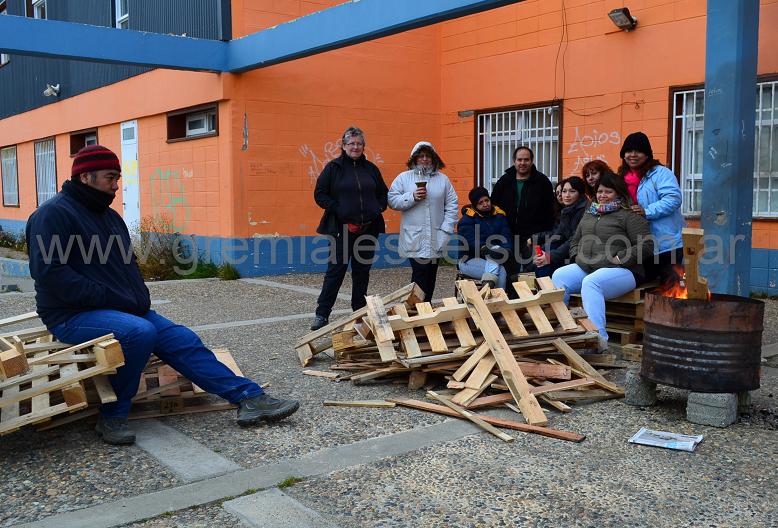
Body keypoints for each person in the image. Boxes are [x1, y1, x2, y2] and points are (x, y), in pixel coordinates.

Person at [25, 145, 299, 445]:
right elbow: (50, 274)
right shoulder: (51, 216)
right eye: (110, 177)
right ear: (85, 176)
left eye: (117, 177)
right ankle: (112, 417)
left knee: (182, 339)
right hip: (70, 314)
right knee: (138, 333)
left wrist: (137, 297)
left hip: (119, 309)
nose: (116, 185)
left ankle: (249, 397)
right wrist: (110, 298)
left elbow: (126, 268)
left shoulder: (109, 217)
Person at [551, 172, 653, 351]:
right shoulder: (590, 213)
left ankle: (597, 340)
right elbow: (575, 240)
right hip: (588, 265)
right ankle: (564, 330)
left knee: (591, 283)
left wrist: (621, 257)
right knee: (559, 276)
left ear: (618, 194)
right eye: (599, 192)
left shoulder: (629, 214)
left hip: (624, 270)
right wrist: (576, 256)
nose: (602, 196)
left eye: (608, 192)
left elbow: (647, 244)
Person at [311, 126, 389, 330]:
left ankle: (359, 312)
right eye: (351, 143)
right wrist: (340, 211)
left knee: (362, 272)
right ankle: (322, 314)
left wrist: (376, 209)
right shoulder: (333, 168)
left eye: (359, 143)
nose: (355, 146)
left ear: (364, 146)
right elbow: (320, 194)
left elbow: (383, 193)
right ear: (343, 146)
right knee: (335, 272)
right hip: (341, 229)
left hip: (368, 229)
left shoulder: (371, 169)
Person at [388, 142, 458, 302]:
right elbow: (392, 200)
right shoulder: (404, 178)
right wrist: (411, 197)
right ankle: (418, 310)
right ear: (415, 158)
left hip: (437, 235)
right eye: (421, 155)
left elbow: (452, 203)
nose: (425, 159)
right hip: (414, 236)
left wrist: (446, 228)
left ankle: (424, 308)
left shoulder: (443, 180)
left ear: (434, 158)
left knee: (431, 274)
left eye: (428, 156)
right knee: (420, 274)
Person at [618, 132, 684, 284]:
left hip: (666, 244)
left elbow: (673, 198)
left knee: (670, 290)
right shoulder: (621, 177)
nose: (632, 155)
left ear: (647, 154)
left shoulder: (660, 173)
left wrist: (647, 211)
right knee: (647, 292)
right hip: (639, 246)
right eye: (628, 151)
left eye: (638, 151)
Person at [490, 146, 556, 276]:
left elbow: (550, 211)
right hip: (509, 236)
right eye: (519, 159)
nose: (522, 163)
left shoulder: (542, 182)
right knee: (509, 272)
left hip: (533, 238)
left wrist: (543, 236)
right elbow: (494, 206)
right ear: (514, 161)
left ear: (532, 161)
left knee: (534, 272)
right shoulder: (504, 181)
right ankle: (510, 296)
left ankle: (533, 296)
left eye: (526, 160)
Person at [456, 186, 513, 289]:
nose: (485, 204)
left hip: (495, 257)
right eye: (480, 202)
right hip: (469, 259)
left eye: (487, 200)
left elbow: (506, 236)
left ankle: (489, 290)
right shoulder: (467, 220)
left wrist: (507, 249)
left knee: (496, 256)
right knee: (501, 272)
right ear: (474, 205)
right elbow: (470, 241)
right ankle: (496, 300)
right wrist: (485, 249)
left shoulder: (499, 216)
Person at [533, 176, 588, 277]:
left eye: (572, 191)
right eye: (564, 191)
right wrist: (542, 252)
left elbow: (574, 240)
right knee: (545, 252)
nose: (567, 195)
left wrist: (550, 256)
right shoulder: (567, 210)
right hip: (567, 252)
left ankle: (548, 290)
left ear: (580, 194)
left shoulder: (584, 211)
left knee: (545, 266)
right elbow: (558, 235)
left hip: (581, 254)